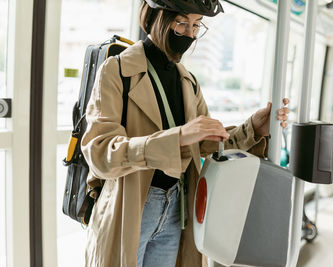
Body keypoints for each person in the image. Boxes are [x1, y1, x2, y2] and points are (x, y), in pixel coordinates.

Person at [81, 0, 290, 266]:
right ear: (157, 18)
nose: (189, 34)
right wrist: (177, 137)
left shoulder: (188, 81)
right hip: (131, 206)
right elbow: (100, 152)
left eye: (196, 25)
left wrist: (253, 127)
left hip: (176, 209)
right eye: (181, 23)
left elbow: (206, 142)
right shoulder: (116, 70)